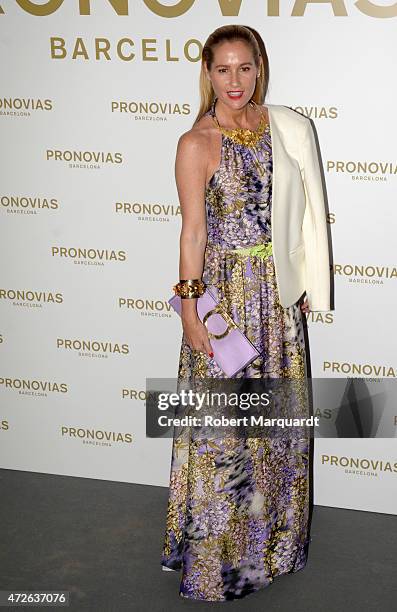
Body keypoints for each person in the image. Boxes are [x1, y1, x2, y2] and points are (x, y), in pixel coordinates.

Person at [161, 24, 331, 601]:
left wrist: (303, 278)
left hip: (278, 304)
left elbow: (304, 213)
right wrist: (189, 310)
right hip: (226, 302)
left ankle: (277, 548)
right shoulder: (195, 142)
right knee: (224, 436)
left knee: (278, 429)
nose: (235, 81)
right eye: (223, 69)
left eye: (245, 67)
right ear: (207, 73)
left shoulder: (281, 128)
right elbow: (192, 233)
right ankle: (223, 563)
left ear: (259, 67)